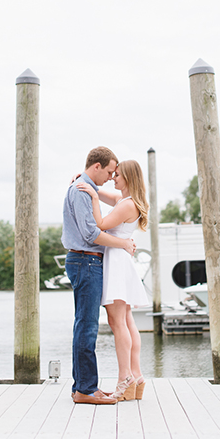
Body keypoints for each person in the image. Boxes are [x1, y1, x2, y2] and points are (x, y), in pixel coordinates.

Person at [62, 146, 137, 405]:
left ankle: (83, 386)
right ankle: (85, 389)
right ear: (97, 166)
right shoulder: (82, 191)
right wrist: (124, 244)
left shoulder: (86, 188)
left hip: (88, 261)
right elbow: (91, 233)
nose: (110, 177)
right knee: (87, 326)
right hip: (86, 261)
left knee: (85, 324)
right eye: (108, 171)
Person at [76, 159, 150, 401]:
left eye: (117, 175)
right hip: (120, 260)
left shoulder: (127, 205)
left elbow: (101, 224)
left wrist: (94, 200)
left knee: (118, 322)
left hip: (116, 262)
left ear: (128, 177)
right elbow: (103, 192)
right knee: (126, 321)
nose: (113, 178)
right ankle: (136, 376)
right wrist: (88, 184)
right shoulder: (126, 202)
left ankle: (124, 378)